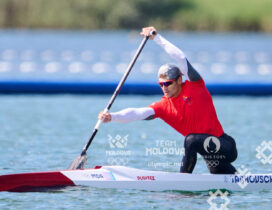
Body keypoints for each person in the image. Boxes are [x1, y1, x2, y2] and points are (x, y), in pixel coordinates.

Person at [99, 26, 238, 174]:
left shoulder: (195, 85)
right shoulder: (163, 106)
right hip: (211, 154)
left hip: (225, 145)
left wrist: (157, 38)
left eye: (168, 83)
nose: (164, 87)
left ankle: (183, 181)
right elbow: (137, 113)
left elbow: (180, 58)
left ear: (179, 80)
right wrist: (112, 117)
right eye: (161, 84)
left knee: (190, 140)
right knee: (227, 178)